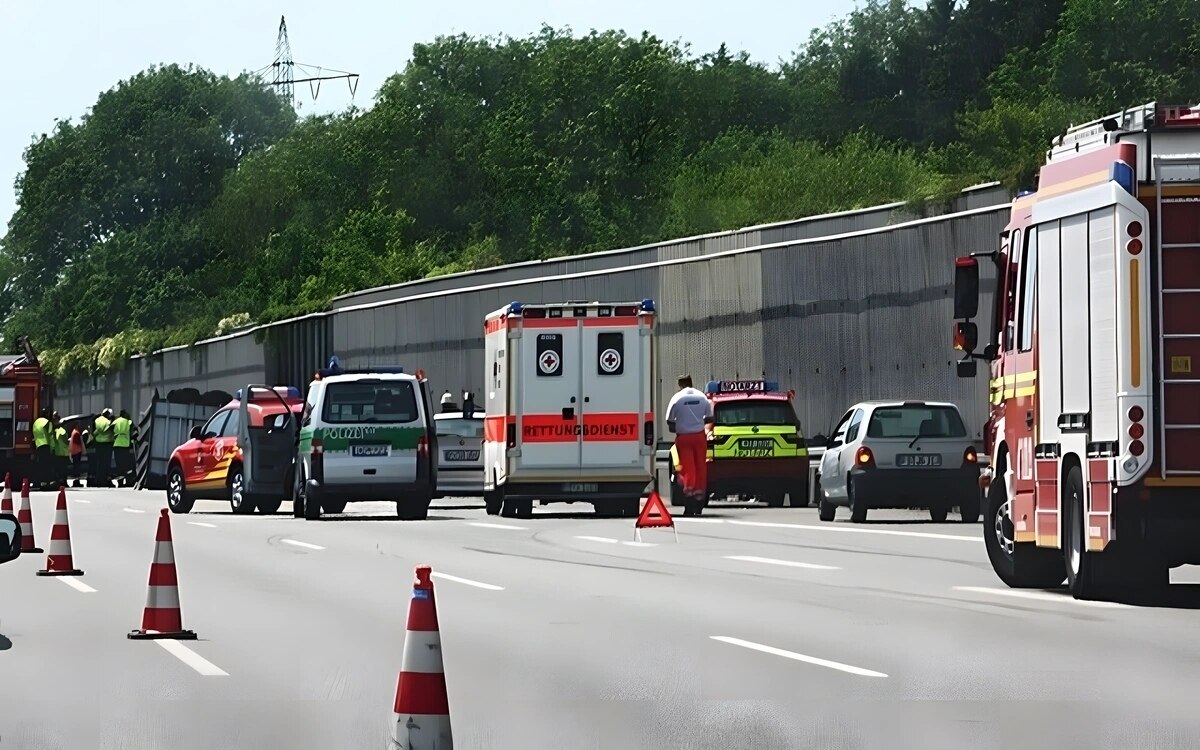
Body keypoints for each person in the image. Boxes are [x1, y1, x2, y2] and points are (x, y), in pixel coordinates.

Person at [665, 375, 714, 510]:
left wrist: (681, 426)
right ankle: (699, 498)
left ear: (680, 384)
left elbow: (669, 421)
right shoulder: (702, 397)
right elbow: (710, 418)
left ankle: (689, 496)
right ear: (691, 382)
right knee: (700, 467)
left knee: (687, 467)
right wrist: (697, 423)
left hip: (684, 438)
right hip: (699, 437)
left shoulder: (677, 398)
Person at [92, 408, 115, 488]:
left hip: (98, 444)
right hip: (107, 444)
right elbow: (111, 430)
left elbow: (94, 432)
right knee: (106, 464)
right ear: (108, 414)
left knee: (99, 463)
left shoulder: (97, 420)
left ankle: (98, 480)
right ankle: (105, 480)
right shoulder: (108, 422)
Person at [112, 409, 135, 487]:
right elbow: (133, 432)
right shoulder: (129, 422)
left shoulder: (115, 421)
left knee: (119, 465)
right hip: (126, 445)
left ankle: (120, 482)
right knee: (127, 465)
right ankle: (128, 481)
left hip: (117, 445)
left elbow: (111, 431)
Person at [32, 408, 53, 488]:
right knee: (47, 465)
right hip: (46, 445)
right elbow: (50, 436)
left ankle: (38, 482)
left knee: (40, 465)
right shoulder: (47, 422)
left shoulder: (36, 422)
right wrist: (53, 448)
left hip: (38, 445)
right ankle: (46, 482)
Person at [51, 413, 70, 489]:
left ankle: (59, 481)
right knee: (64, 469)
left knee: (58, 469)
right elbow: (64, 440)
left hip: (57, 452)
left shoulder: (53, 430)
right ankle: (64, 482)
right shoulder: (62, 430)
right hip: (63, 452)